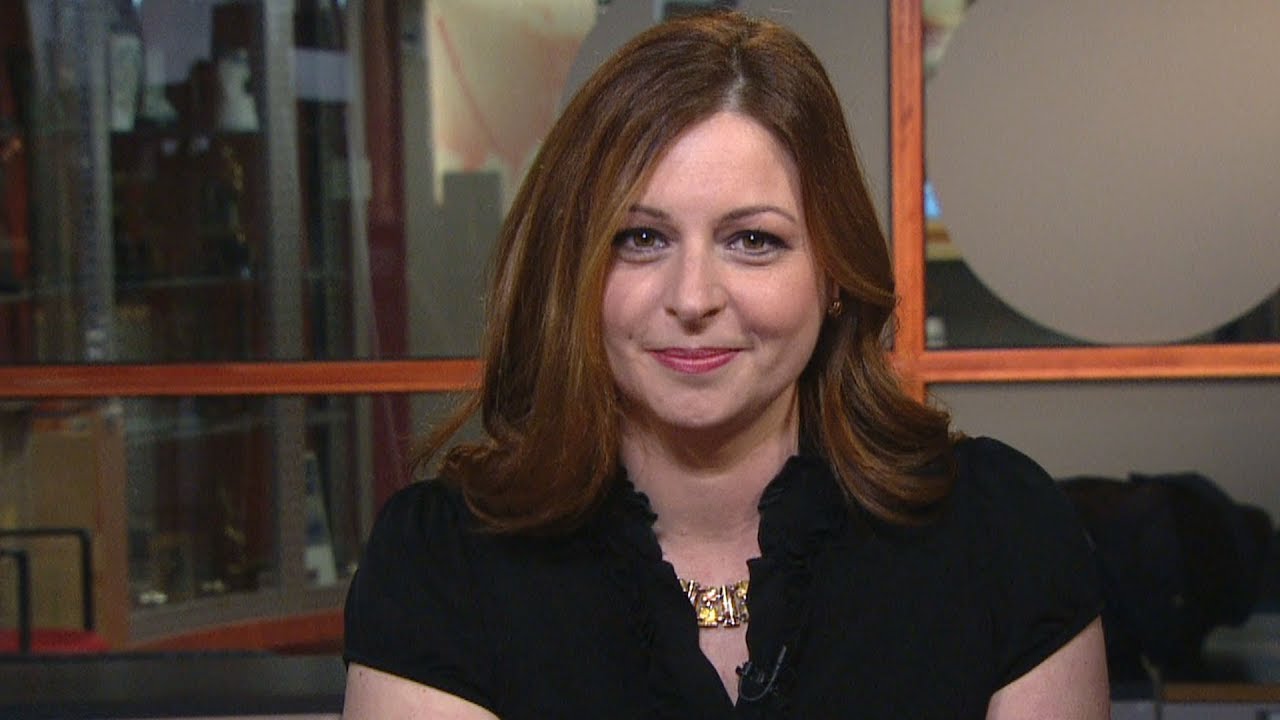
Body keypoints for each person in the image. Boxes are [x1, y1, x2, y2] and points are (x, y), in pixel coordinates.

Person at [342, 10, 1109, 719]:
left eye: (753, 240)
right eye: (641, 238)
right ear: (573, 269)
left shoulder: (1002, 534)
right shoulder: (440, 565)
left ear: (834, 274)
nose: (693, 298)